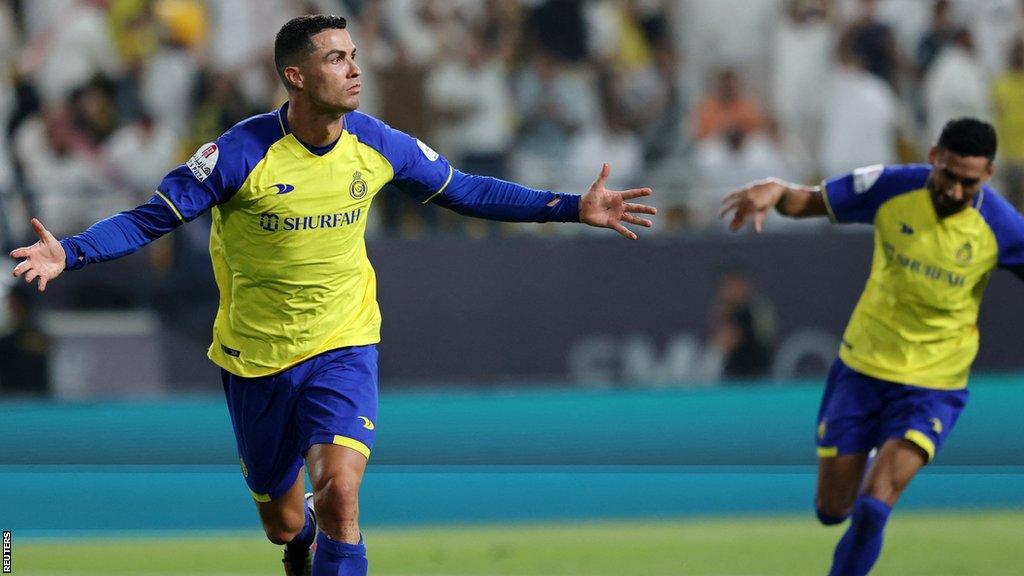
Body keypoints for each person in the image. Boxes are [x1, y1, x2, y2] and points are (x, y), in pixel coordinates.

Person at [8, 14, 656, 576]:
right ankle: (304, 545)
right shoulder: (239, 155)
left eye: (354, 57)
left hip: (344, 343)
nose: (354, 71)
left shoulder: (376, 142)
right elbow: (151, 218)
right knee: (284, 524)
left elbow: (469, 190)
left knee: (340, 494)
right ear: (296, 76)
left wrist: (572, 206)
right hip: (256, 360)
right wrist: (71, 250)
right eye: (336, 59)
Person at [720, 117, 1024, 576]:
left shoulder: (1002, 226)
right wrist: (778, 190)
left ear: (988, 174)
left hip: (933, 384)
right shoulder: (892, 186)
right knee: (832, 508)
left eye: (970, 182)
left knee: (873, 509)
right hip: (862, 369)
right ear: (932, 158)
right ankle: (862, 461)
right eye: (949, 176)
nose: (957, 192)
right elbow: (810, 202)